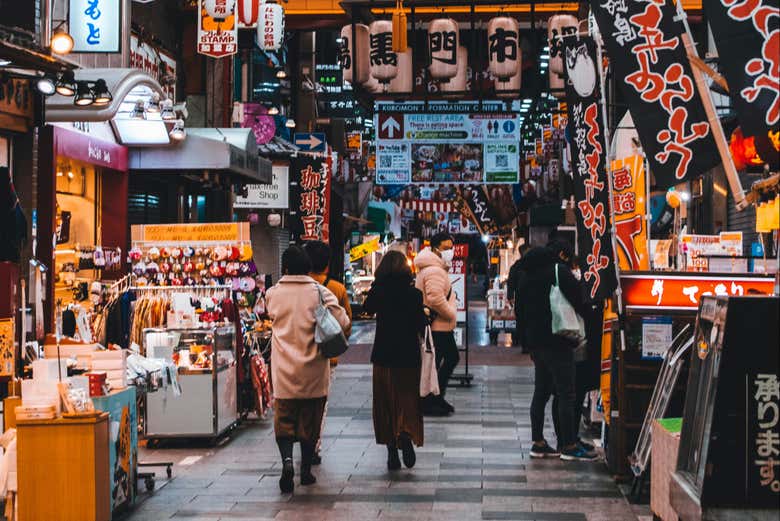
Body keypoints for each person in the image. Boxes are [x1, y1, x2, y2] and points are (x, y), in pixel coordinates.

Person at [266, 245, 350, 493]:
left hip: (283, 371)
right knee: (310, 422)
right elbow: (343, 321)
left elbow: (269, 316)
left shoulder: (273, 294)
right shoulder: (320, 293)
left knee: (284, 420)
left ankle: (287, 462)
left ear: (286, 268)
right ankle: (305, 472)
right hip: (313, 369)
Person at [515, 241, 597, 461]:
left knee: (541, 392)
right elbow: (580, 300)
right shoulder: (558, 271)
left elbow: (519, 311)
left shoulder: (525, 276)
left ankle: (538, 443)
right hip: (558, 340)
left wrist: (527, 342)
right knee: (566, 393)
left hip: (536, 344)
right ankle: (568, 445)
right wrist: (590, 318)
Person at [363, 250, 428, 470]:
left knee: (385, 401)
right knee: (407, 399)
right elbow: (421, 323)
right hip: (408, 355)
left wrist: (376, 287)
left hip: (383, 354)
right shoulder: (414, 294)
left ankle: (391, 449)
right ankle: (406, 435)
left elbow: (367, 308)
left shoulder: (379, 291)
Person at [304, 240, 353, 465]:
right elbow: (347, 323)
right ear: (327, 265)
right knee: (320, 403)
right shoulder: (337, 288)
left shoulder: (298, 288)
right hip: (327, 357)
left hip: (297, 354)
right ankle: (313, 445)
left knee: (296, 401)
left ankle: (299, 441)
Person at [414, 232, 458, 416]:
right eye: (446, 248)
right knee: (448, 359)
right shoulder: (434, 270)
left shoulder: (433, 267)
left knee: (434, 362)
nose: (450, 252)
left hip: (436, 326)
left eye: (451, 248)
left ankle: (433, 398)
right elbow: (435, 299)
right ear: (435, 248)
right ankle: (431, 399)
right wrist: (451, 313)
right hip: (438, 326)